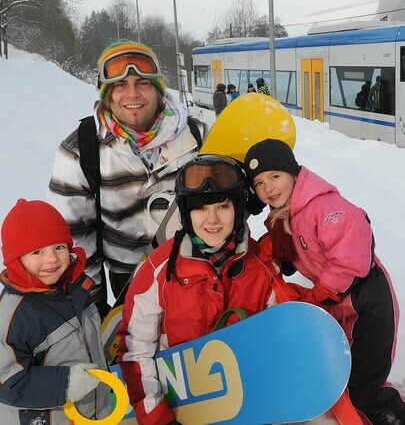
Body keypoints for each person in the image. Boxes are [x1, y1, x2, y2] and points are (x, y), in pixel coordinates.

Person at [244, 139, 405, 425]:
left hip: (369, 301)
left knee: (365, 385)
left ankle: (404, 420)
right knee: (346, 376)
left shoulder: (324, 207)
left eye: (275, 177)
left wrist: (318, 295)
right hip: (341, 304)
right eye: (260, 183)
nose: (269, 189)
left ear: (293, 173)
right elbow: (277, 252)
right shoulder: (286, 216)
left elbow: (352, 256)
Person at [117, 154, 292, 425]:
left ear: (238, 208)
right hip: (181, 408)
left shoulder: (261, 267)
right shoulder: (159, 270)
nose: (212, 220)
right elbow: (135, 350)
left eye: (223, 206)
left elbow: (281, 345)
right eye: (201, 208)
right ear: (187, 214)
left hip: (247, 405)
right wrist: (157, 418)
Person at [48, 41, 208, 317]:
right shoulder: (81, 149)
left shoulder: (198, 136)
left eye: (142, 83)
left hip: (199, 275)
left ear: (158, 90)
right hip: (127, 283)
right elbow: (75, 237)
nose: (132, 93)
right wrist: (93, 307)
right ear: (107, 95)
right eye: (120, 85)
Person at [0, 199, 110, 425]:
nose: (51, 259)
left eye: (59, 247)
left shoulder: (78, 291)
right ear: (16, 260)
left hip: (92, 415)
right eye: (37, 252)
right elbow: (6, 379)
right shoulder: (14, 313)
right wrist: (65, 383)